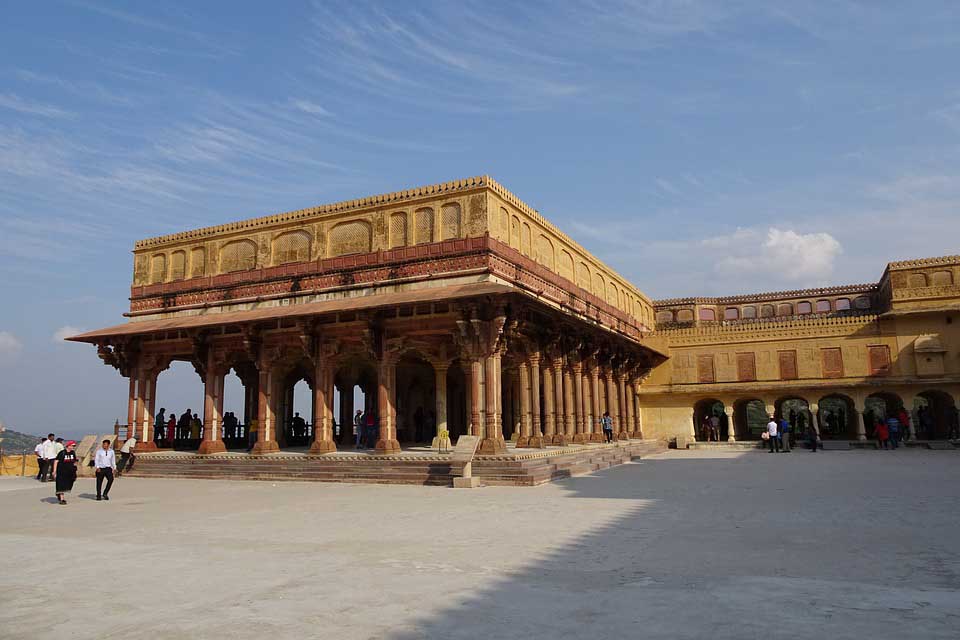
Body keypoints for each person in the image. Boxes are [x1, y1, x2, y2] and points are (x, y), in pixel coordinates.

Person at [52, 440, 78, 505]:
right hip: (61, 471)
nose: (73, 447)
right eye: (72, 446)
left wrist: (75, 469)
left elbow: (74, 461)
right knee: (61, 485)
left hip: (70, 471)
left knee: (70, 483)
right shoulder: (62, 453)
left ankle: (59, 493)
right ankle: (62, 499)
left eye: (74, 446)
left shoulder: (73, 453)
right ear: (68, 445)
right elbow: (56, 461)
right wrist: (54, 471)